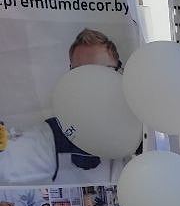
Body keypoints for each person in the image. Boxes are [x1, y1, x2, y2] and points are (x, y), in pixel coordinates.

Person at [0, 29, 128, 187]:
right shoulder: (58, 136)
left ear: (119, 72)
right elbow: (8, 166)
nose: (91, 83)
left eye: (100, 72)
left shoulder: (146, 124)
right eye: (80, 74)